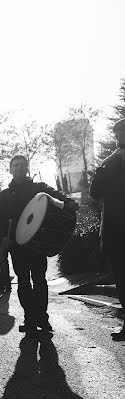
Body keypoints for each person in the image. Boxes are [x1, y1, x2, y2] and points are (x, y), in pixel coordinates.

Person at [0, 155, 78, 334]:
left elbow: (57, 195)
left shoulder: (39, 188)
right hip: (18, 247)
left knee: (40, 281)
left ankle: (42, 317)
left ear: (27, 168)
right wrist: (3, 237)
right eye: (15, 165)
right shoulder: (4, 196)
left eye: (23, 165)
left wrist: (69, 202)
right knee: (23, 283)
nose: (19, 168)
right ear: (10, 169)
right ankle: (29, 319)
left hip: (39, 245)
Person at [90, 118, 125, 340]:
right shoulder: (110, 162)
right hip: (115, 229)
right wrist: (109, 166)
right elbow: (95, 191)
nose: (121, 138)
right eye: (119, 134)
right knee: (121, 277)